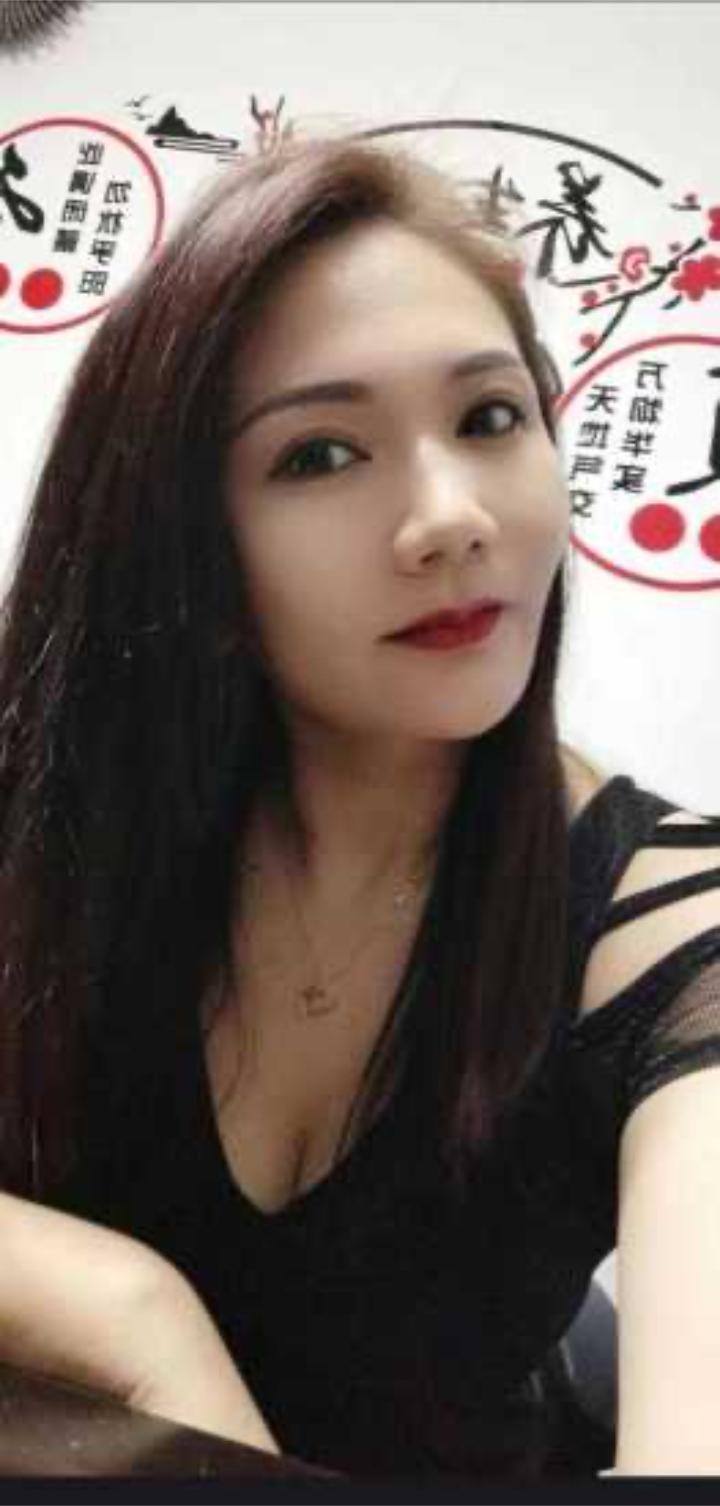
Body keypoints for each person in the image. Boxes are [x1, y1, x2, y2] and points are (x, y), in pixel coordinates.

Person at [0, 130, 719, 1481]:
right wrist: (131, 1314)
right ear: (187, 545)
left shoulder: (670, 932)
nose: (451, 517)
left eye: (490, 419)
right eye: (322, 454)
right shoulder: (55, 803)